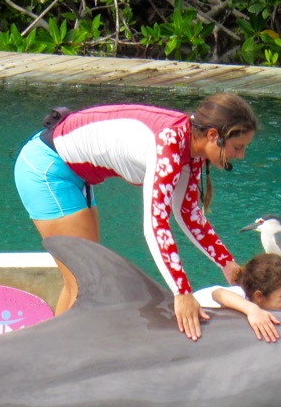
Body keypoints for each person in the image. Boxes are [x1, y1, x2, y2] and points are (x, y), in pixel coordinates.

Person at [13, 93, 258, 340]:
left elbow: (189, 215)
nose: (241, 155)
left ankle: (55, 346)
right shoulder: (170, 144)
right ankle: (58, 351)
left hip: (73, 172)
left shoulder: (190, 145)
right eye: (237, 147)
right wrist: (182, 292)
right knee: (86, 282)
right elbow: (156, 226)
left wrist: (228, 264)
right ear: (213, 135)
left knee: (83, 277)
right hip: (47, 167)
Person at [193, 253, 281, 343]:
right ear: (259, 296)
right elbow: (218, 294)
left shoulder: (251, 297)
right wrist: (252, 310)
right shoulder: (239, 294)